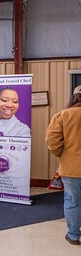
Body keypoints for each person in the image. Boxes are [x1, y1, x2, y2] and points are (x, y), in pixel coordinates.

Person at [46, 85, 81, 245]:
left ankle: (73, 235)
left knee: (72, 202)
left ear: (73, 98)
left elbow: (52, 140)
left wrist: (61, 153)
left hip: (71, 168)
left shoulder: (63, 115)